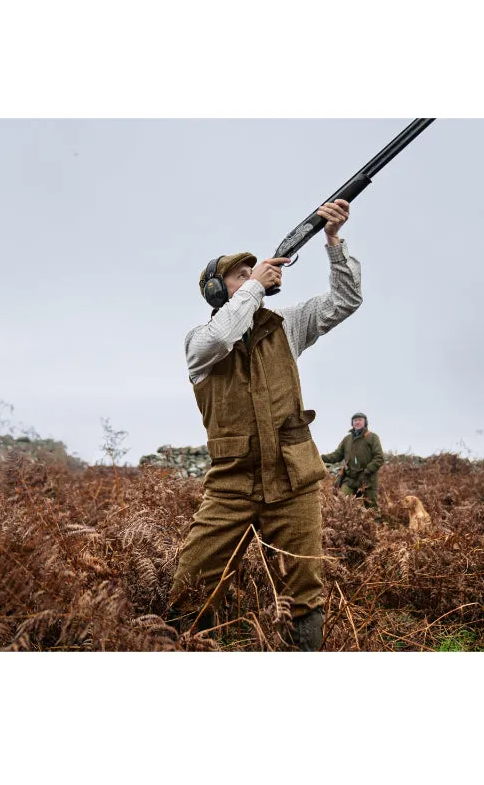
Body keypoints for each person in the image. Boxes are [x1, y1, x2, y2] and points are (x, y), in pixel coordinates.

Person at [167, 198, 362, 651]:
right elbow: (222, 334)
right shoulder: (199, 343)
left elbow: (346, 300)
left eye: (254, 272)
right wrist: (253, 287)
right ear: (218, 291)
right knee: (191, 583)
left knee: (304, 592)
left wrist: (333, 241)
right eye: (241, 274)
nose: (254, 276)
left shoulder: (287, 326)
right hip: (230, 486)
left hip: (293, 480)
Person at [321, 412, 384, 512]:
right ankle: (342, 525)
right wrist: (320, 458)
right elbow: (337, 455)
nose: (357, 422)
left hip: (368, 479)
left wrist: (367, 471)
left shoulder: (373, 437)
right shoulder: (347, 439)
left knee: (372, 509)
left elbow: (379, 458)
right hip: (350, 479)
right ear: (352, 423)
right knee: (340, 503)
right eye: (355, 420)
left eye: (360, 420)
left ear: (365, 422)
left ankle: (376, 526)